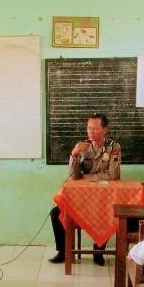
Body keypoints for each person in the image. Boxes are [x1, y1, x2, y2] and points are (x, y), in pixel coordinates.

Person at [49, 113, 121, 265]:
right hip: (83, 197)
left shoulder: (113, 147)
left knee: (109, 212)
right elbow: (74, 176)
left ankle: (98, 251)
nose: (91, 131)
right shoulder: (83, 147)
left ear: (105, 129)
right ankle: (63, 251)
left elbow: (113, 174)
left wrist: (88, 177)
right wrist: (74, 155)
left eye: (95, 128)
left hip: (104, 197)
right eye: (89, 128)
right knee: (56, 213)